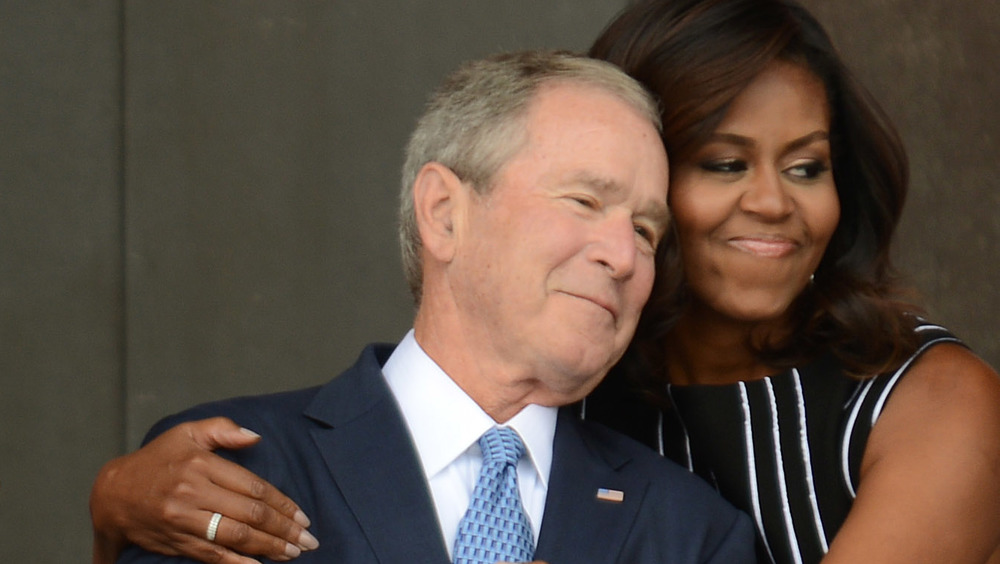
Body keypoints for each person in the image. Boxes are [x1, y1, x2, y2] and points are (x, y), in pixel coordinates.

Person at [91, 0, 1000, 563]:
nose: (773, 203)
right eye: (722, 163)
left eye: (807, 166)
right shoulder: (241, 468)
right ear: (446, 214)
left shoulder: (707, 521)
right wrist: (116, 513)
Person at [101, 49, 757, 564]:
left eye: (647, 230)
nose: (624, 255)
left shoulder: (693, 534)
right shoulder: (230, 469)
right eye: (584, 201)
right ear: (445, 215)